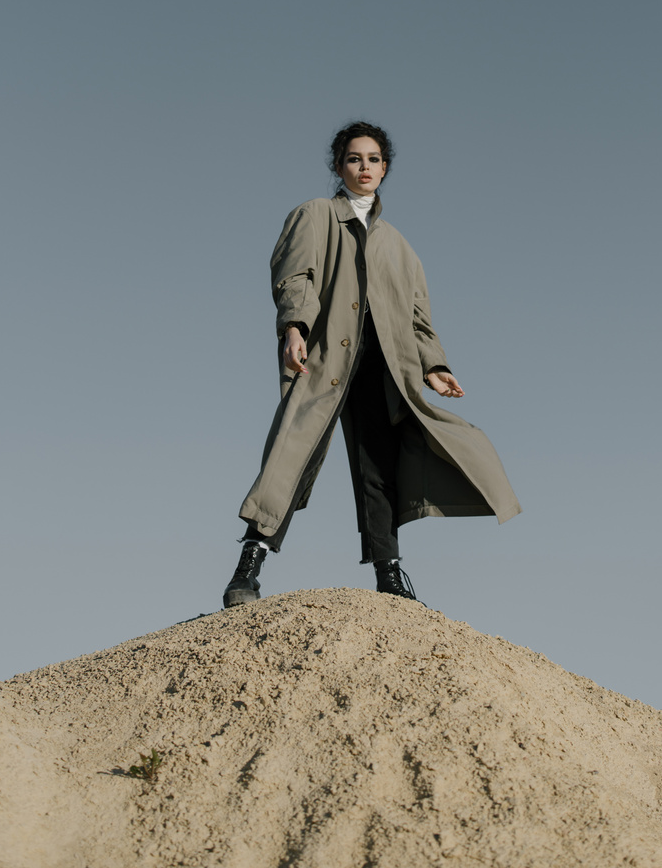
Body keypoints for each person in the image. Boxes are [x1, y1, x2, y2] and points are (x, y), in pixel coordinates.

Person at [223, 121, 521, 608]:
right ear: (339, 166)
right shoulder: (315, 215)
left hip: (384, 370)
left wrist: (433, 365)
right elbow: (294, 275)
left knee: (378, 468)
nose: (365, 168)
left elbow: (418, 316)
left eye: (374, 159)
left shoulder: (400, 247)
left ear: (385, 169)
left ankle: (390, 575)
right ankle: (247, 570)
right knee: (292, 457)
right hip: (324, 361)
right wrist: (294, 328)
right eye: (355, 159)